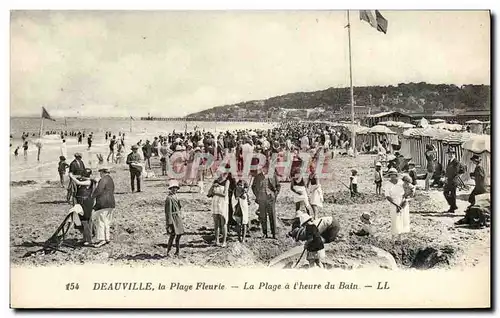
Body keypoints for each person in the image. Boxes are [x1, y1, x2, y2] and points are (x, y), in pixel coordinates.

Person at [69, 168, 96, 246]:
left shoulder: (89, 182)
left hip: (86, 203)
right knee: (82, 221)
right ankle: (85, 238)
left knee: (86, 221)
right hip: (81, 202)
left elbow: (78, 182)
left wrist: (71, 176)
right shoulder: (87, 180)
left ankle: (89, 239)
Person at [252, 167, 281, 239]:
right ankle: (264, 233)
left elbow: (278, 186)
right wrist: (257, 195)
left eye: (266, 167)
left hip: (271, 198)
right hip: (261, 199)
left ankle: (274, 233)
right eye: (263, 168)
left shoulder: (273, 175)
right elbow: (253, 187)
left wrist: (275, 194)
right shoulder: (258, 176)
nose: (265, 169)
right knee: (263, 216)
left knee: (272, 216)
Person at [92, 167, 116, 247]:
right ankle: (107, 237)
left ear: (103, 172)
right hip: (111, 202)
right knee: (107, 222)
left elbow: (99, 190)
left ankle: (101, 239)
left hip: (103, 203)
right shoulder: (110, 179)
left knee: (100, 222)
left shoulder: (103, 180)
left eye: (100, 172)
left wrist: (92, 196)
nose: (100, 174)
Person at [384, 168, 406, 239]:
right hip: (393, 203)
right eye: (391, 175)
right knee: (394, 219)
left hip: (401, 201)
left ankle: (400, 237)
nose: (392, 177)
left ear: (396, 175)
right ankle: (393, 237)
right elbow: (387, 196)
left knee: (401, 219)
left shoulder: (401, 183)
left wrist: (401, 204)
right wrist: (396, 205)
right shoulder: (387, 184)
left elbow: (406, 193)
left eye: (394, 175)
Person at [164, 180, 184, 256]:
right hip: (173, 218)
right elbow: (168, 212)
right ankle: (168, 251)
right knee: (172, 235)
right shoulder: (169, 198)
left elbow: (179, 207)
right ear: (170, 189)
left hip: (178, 217)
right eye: (173, 188)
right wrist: (169, 223)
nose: (175, 190)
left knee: (179, 234)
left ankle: (177, 251)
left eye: (176, 188)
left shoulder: (176, 196)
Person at [209, 173, 229, 247]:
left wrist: (216, 193)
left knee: (223, 222)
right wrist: (212, 186)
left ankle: (224, 241)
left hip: (223, 203)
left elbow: (225, 194)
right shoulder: (215, 181)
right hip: (215, 203)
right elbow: (209, 193)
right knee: (216, 223)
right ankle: (216, 241)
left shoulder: (227, 181)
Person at [443, 148, 465, 213]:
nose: (450, 155)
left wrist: (457, 177)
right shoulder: (449, 161)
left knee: (452, 194)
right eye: (449, 154)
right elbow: (448, 171)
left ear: (454, 154)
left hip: (453, 180)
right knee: (445, 192)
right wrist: (446, 178)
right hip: (449, 180)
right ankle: (453, 205)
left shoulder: (456, 162)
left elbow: (457, 171)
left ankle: (452, 208)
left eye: (451, 154)